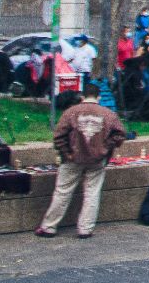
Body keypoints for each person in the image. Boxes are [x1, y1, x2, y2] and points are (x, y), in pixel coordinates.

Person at [34, 90, 126, 239]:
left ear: (82, 97)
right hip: (97, 159)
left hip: (73, 158)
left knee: (62, 192)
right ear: (99, 97)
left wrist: (66, 152)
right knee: (92, 193)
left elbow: (58, 136)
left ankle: (49, 227)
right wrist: (106, 147)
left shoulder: (72, 112)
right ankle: (85, 229)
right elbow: (120, 134)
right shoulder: (108, 114)